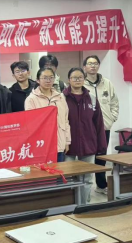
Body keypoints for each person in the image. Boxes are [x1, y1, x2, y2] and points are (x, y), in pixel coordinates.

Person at [64, 68, 108, 205]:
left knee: (87, 178)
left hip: (88, 144)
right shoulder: (62, 98)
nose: (77, 80)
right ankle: (70, 206)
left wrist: (101, 145)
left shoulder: (92, 98)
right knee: (69, 178)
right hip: (68, 146)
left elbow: (98, 123)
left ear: (84, 79)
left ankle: (84, 205)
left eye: (80, 77)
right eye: (74, 77)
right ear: (69, 80)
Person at [84, 55, 120, 195]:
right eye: (89, 63)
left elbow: (114, 102)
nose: (92, 66)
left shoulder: (107, 83)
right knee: (87, 158)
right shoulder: (81, 84)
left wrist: (112, 118)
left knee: (101, 157)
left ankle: (101, 185)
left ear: (99, 66)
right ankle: (85, 188)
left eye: (95, 63)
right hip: (87, 129)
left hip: (104, 127)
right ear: (85, 67)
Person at [25, 68, 71, 162]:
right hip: (41, 145)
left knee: (59, 170)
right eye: (45, 78)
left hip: (59, 144)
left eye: (51, 78)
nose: (48, 80)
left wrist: (67, 141)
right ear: (38, 80)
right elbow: (30, 124)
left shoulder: (60, 97)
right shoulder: (31, 99)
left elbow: (65, 120)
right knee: (43, 171)